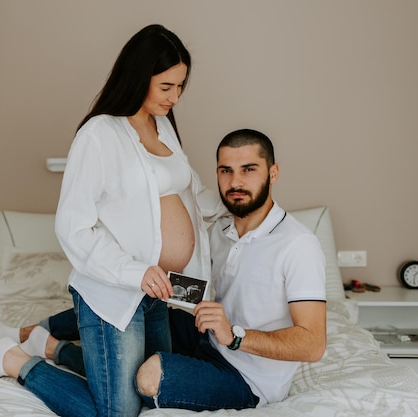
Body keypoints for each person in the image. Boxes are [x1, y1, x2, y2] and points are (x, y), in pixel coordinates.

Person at [0, 24, 224, 417]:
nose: (175, 97)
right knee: (119, 412)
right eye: (166, 87)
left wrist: (237, 201)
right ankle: (16, 360)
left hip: (161, 292)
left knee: (149, 391)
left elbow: (190, 196)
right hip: (113, 292)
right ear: (140, 77)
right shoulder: (100, 134)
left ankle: (53, 346)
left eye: (181, 87)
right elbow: (72, 227)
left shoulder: (165, 128)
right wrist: (134, 272)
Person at [134, 128, 328, 411]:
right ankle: (51, 329)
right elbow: (207, 290)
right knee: (135, 305)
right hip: (209, 342)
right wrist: (159, 282)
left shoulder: (298, 245)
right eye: (226, 171)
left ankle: (56, 354)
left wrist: (236, 337)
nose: (235, 181)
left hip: (248, 380)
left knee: (149, 376)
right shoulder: (221, 231)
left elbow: (313, 344)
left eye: (248, 169)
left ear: (273, 173)